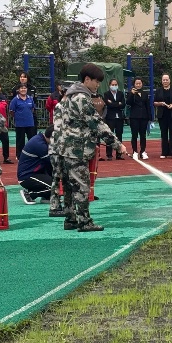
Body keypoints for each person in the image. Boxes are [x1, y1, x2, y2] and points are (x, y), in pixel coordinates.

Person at [54, 63, 126, 232]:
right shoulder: (81, 98)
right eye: (96, 81)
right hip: (77, 148)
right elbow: (96, 123)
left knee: (71, 186)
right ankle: (84, 222)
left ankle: (71, 219)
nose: (98, 85)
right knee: (82, 185)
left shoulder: (69, 95)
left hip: (65, 147)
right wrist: (118, 145)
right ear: (87, 79)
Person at [17, 127, 54, 204]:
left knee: (55, 183)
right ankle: (30, 194)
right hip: (27, 177)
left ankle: (47, 196)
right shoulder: (40, 145)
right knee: (55, 186)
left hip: (35, 173)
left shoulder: (40, 139)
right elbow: (52, 164)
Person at [153, 73, 172, 159]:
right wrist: (161, 103)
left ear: (169, 80)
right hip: (162, 115)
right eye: (163, 80)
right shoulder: (158, 91)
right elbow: (154, 102)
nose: (165, 81)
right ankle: (164, 152)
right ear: (161, 81)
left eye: (166, 80)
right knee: (163, 134)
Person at [126, 77, 151, 159]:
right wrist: (132, 94)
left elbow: (148, 106)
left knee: (143, 135)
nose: (138, 85)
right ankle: (135, 151)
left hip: (144, 117)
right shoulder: (130, 93)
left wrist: (150, 118)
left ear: (142, 84)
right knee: (134, 135)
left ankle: (143, 151)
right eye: (137, 83)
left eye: (140, 83)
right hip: (134, 117)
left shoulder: (145, 94)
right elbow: (128, 103)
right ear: (134, 84)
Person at [9, 83, 37, 157]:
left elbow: (32, 108)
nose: (23, 90)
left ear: (27, 89)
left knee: (31, 140)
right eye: (21, 88)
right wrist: (18, 117)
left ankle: (32, 155)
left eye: (24, 88)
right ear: (18, 90)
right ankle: (19, 156)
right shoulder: (15, 100)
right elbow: (11, 111)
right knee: (20, 141)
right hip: (20, 124)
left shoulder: (30, 98)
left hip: (30, 123)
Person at [103, 78, 125, 160]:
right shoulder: (106, 94)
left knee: (119, 135)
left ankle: (119, 154)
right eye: (113, 85)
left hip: (119, 117)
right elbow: (108, 105)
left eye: (116, 85)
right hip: (110, 117)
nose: (114, 86)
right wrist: (117, 103)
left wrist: (113, 103)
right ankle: (109, 155)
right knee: (110, 136)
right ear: (109, 85)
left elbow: (123, 105)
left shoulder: (120, 94)